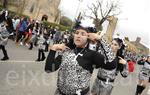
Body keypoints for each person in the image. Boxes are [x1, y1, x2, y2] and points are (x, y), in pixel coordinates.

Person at [45, 25, 105, 95]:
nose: (78, 36)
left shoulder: (93, 55)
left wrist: (101, 39)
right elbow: (49, 69)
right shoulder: (67, 51)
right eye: (77, 33)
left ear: (88, 38)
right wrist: (53, 49)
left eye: (83, 34)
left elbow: (111, 63)